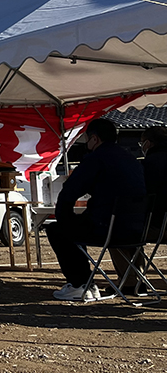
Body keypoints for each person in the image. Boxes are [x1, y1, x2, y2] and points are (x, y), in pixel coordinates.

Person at [46, 118, 146, 301]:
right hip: (139, 229)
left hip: (108, 228)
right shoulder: (131, 158)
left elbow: (70, 191)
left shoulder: (97, 158)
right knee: (75, 225)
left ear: (95, 138)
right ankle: (89, 284)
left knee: (58, 230)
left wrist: (64, 217)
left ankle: (81, 284)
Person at [110, 125, 167, 291]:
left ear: (147, 144)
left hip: (157, 226)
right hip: (161, 224)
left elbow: (138, 195)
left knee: (119, 233)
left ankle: (130, 281)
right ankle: (137, 277)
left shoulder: (147, 165)